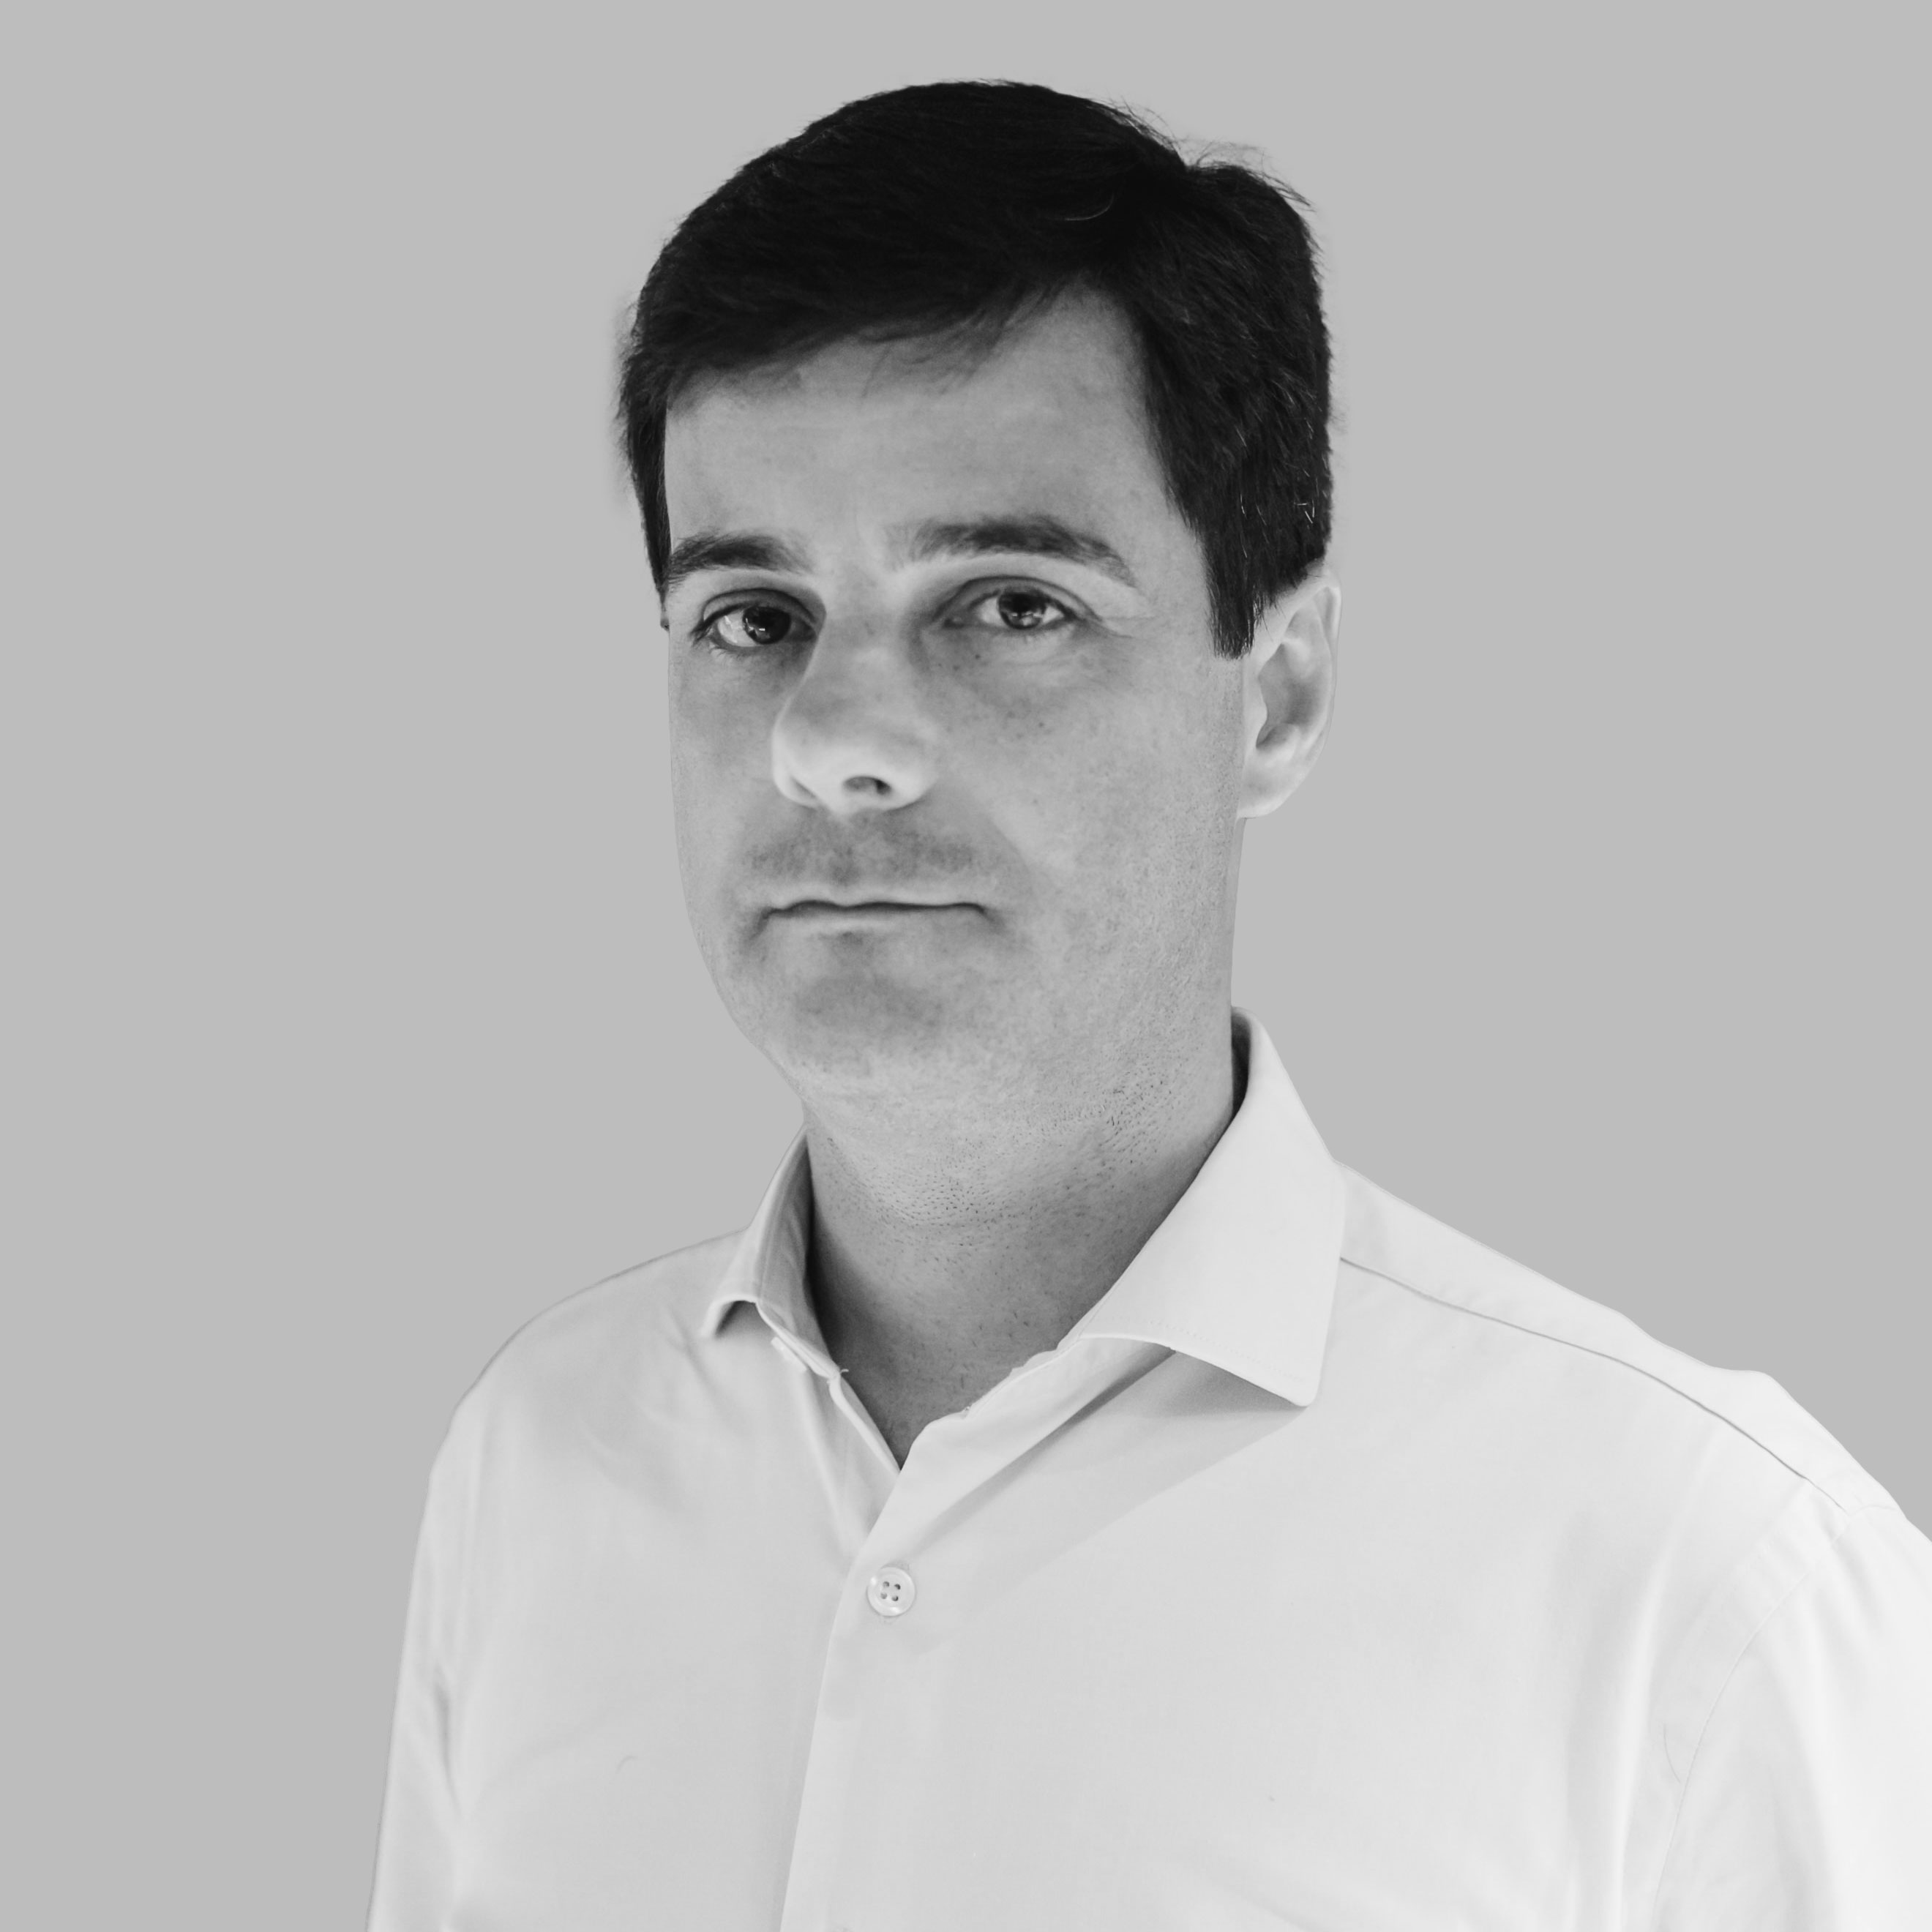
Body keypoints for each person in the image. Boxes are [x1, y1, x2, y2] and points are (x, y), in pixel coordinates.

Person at [367, 80, 1932, 1931]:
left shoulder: (1700, 1583)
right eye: (752, 617)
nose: (834, 740)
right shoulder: (537, 1467)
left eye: (1009, 604)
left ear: (1277, 693)